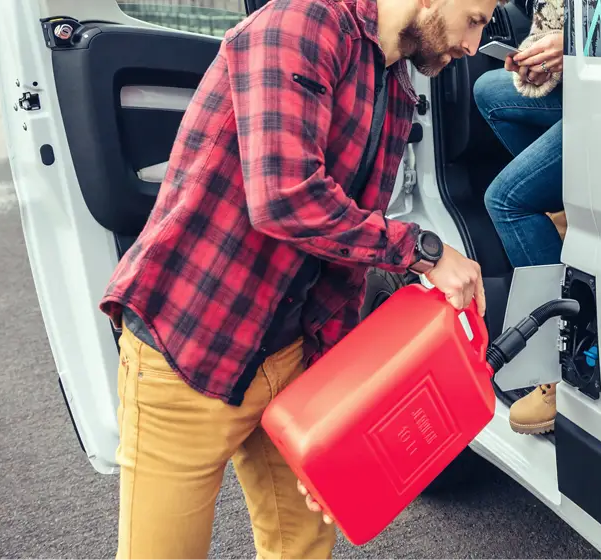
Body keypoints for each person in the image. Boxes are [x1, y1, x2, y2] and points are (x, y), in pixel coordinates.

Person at [99, 0, 498, 555]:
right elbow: (286, 200)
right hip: (190, 347)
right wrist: (424, 250)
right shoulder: (302, 24)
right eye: (475, 19)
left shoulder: (398, 87)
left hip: (289, 355)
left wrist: (329, 398)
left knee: (303, 546)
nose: (474, 47)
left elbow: (345, 254)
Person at [473, 0, 563, 435]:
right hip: (589, 77)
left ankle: (560, 364)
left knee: (506, 200)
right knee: (490, 90)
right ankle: (566, 211)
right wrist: (538, 59)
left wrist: (573, 48)